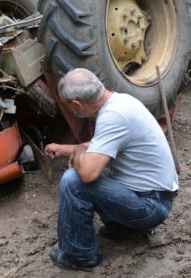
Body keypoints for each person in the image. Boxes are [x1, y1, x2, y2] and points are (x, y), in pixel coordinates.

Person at [44, 68, 178, 271]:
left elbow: (88, 174)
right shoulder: (120, 102)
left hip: (151, 206)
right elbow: (101, 145)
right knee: (94, 168)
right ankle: (123, 228)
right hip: (155, 196)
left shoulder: (113, 116)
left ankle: (79, 256)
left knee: (74, 181)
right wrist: (65, 150)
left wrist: (79, 150)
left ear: (77, 104)